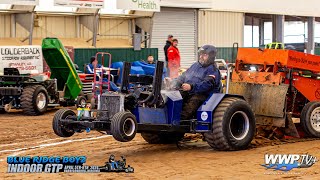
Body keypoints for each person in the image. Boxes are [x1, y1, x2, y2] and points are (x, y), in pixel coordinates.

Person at [171, 45, 221, 121]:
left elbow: (206, 84)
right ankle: (170, 117)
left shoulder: (213, 70)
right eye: (200, 54)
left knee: (193, 102)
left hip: (204, 95)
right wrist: (174, 82)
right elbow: (184, 76)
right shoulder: (195, 65)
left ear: (211, 56)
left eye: (204, 55)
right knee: (173, 96)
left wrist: (191, 87)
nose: (201, 57)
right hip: (190, 91)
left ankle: (180, 121)